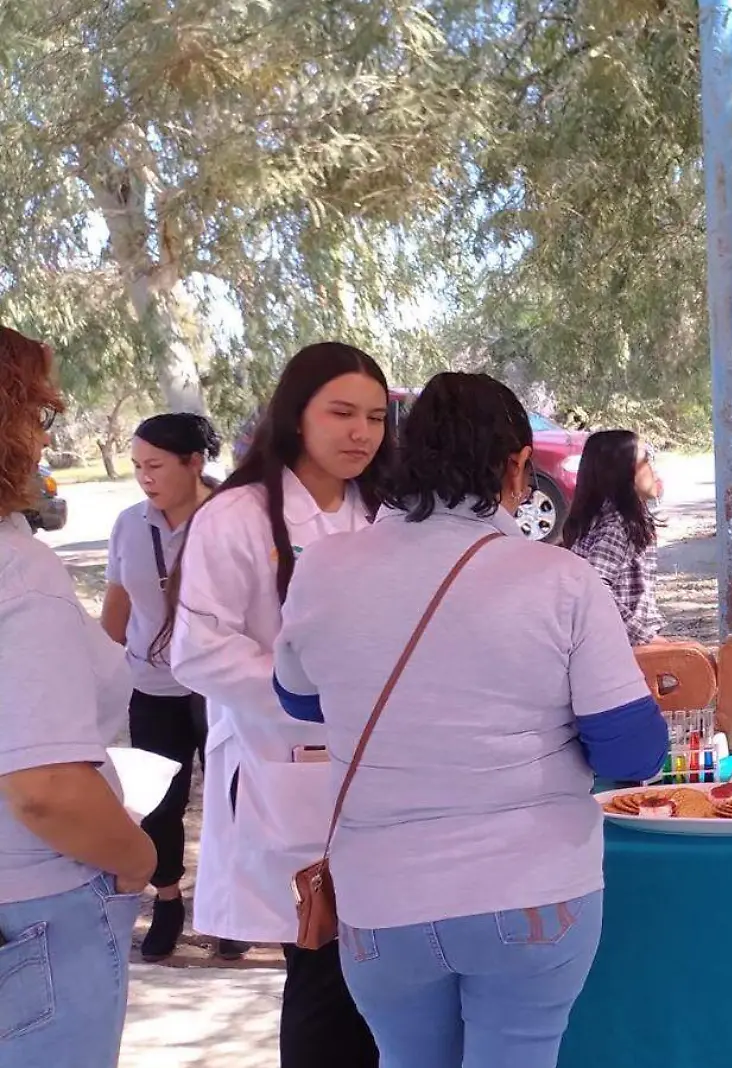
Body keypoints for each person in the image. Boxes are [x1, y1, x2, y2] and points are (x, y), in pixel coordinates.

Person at [271, 372, 668, 1068]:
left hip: (381, 901)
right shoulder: (557, 579)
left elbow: (301, 698)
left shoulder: (326, 567)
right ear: (517, 464)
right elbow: (633, 754)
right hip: (532, 893)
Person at [164, 342, 391, 1066]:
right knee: (320, 963)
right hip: (283, 764)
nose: (361, 432)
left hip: (382, 768)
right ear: (296, 416)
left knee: (378, 970)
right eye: (343, 413)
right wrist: (316, 698)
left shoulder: (385, 513)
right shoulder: (236, 516)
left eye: (377, 418)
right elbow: (198, 651)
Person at [0, 326, 157, 1067]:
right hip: (32, 912)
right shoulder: (17, 570)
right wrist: (135, 858)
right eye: (40, 410)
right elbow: (47, 790)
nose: (43, 433)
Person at [100, 413, 219, 961]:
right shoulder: (129, 524)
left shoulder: (230, 517)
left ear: (194, 462)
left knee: (228, 803)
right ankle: (168, 901)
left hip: (220, 689)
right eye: (137, 467)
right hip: (151, 686)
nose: (145, 477)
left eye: (156, 465)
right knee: (161, 806)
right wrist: (102, 676)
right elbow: (117, 608)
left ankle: (225, 909)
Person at [563, 429, 666, 646]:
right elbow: (594, 589)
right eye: (646, 460)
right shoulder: (618, 526)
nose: (654, 469)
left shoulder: (602, 519)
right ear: (623, 473)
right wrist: (648, 638)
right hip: (623, 649)